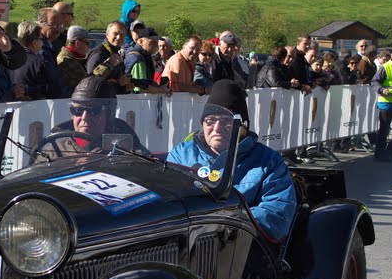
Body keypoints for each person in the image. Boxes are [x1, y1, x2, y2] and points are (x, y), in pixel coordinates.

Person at [167, 79, 297, 241]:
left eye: (227, 121)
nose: (217, 128)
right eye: (211, 120)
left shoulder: (268, 161)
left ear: (243, 127)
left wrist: (226, 224)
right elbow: (166, 198)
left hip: (239, 246)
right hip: (186, 242)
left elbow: (277, 212)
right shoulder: (181, 154)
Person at [46, 75, 146, 154]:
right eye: (77, 110)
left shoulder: (121, 133)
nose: (84, 117)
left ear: (108, 113)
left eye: (93, 110)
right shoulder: (56, 143)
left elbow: (146, 163)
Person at [12, 19, 55, 100]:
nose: (42, 42)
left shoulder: (10, 60)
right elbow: (54, 90)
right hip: (37, 107)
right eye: (41, 39)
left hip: (15, 108)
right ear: (34, 43)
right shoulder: (40, 63)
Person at [86, 20, 129, 92]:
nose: (118, 37)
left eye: (122, 35)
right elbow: (90, 82)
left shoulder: (116, 53)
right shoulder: (99, 53)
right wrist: (118, 83)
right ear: (107, 34)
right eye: (115, 33)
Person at [56, 25, 91, 94]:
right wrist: (108, 65)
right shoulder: (66, 60)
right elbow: (88, 84)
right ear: (77, 43)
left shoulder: (71, 57)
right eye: (87, 43)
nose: (88, 47)